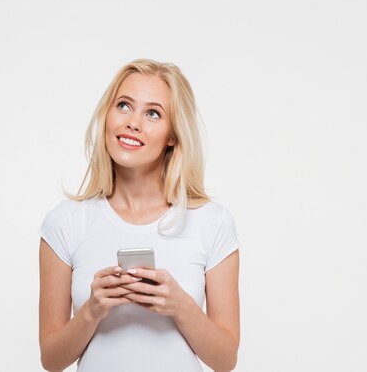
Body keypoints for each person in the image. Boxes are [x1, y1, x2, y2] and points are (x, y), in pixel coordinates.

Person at [37, 59, 240, 372]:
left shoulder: (212, 222)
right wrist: (93, 310)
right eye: (123, 105)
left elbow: (225, 360)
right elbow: (51, 359)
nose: (133, 122)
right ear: (107, 115)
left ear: (173, 135)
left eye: (153, 113)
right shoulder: (64, 223)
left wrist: (180, 305)